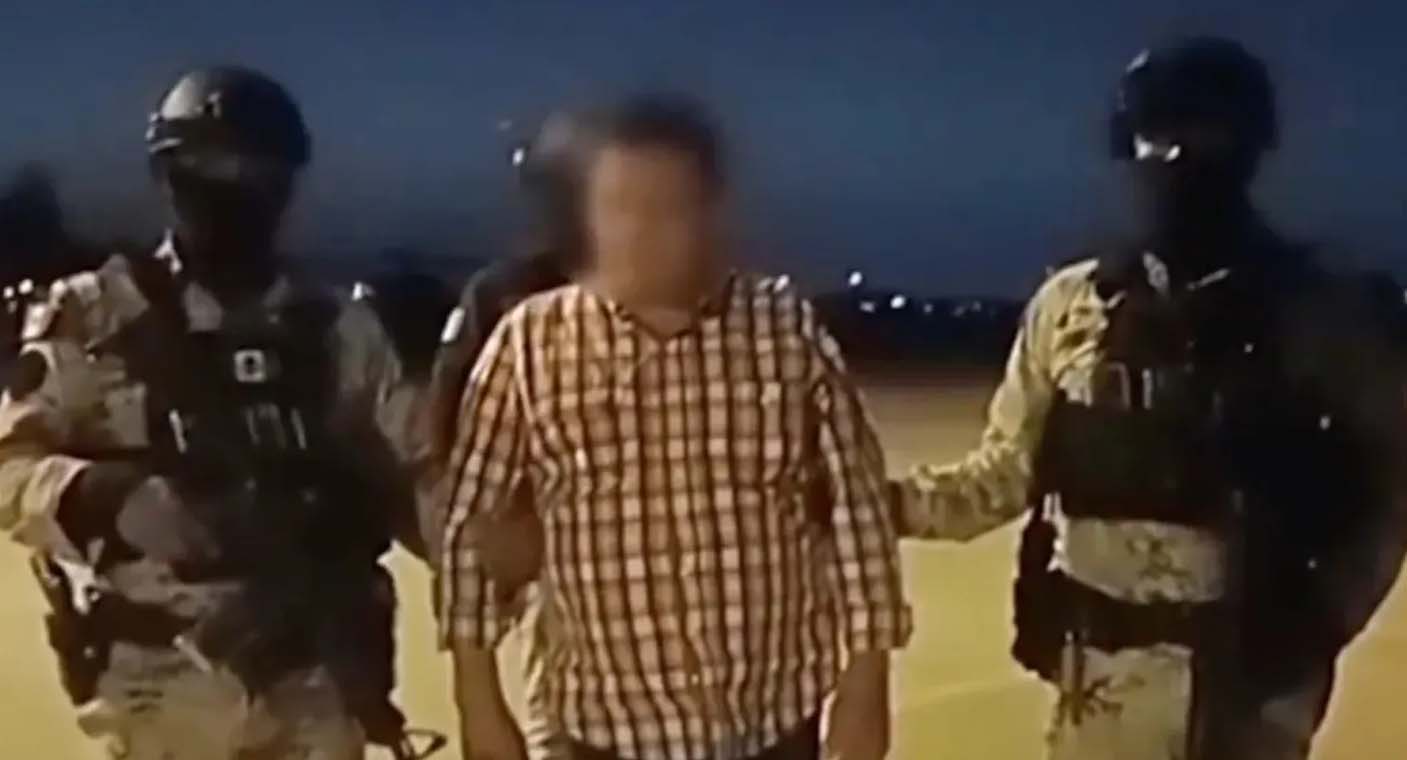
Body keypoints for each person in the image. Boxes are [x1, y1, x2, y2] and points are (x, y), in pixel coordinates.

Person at [890, 37, 1407, 760]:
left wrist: (1320, 623)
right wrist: (878, 504)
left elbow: (1386, 492)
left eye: (1203, 136)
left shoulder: (1318, 316)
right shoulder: (1072, 307)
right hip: (1102, 700)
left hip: (1250, 699)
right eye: (1157, 137)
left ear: (1249, 147)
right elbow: (1003, 475)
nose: (1176, 158)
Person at [440, 95, 912, 760]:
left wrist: (866, 681)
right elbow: (470, 528)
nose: (641, 232)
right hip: (604, 735)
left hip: (776, 725)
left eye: (668, 209)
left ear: (711, 215)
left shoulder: (784, 329)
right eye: (619, 208)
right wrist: (478, 701)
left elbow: (856, 510)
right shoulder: (529, 344)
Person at [0, 66, 436, 760]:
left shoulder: (336, 330)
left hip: (317, 682)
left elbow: (425, 481)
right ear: (166, 173)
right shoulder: (94, 315)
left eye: (254, 170)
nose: (233, 185)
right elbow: (9, 467)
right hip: (160, 695)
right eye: (208, 165)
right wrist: (109, 497)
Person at [421, 109, 596, 760]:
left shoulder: (660, 292)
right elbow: (446, 433)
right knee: (567, 724)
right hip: (549, 564)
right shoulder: (503, 295)